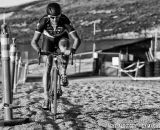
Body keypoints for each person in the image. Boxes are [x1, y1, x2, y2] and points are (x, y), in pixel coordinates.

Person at [31, 2, 81, 108]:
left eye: (57, 17)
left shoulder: (64, 20)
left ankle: (63, 73)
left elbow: (76, 39)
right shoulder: (43, 21)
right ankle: (45, 97)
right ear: (48, 16)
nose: (54, 20)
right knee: (47, 66)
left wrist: (72, 50)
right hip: (47, 40)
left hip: (61, 38)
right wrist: (39, 50)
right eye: (52, 17)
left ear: (60, 15)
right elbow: (34, 41)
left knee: (64, 47)